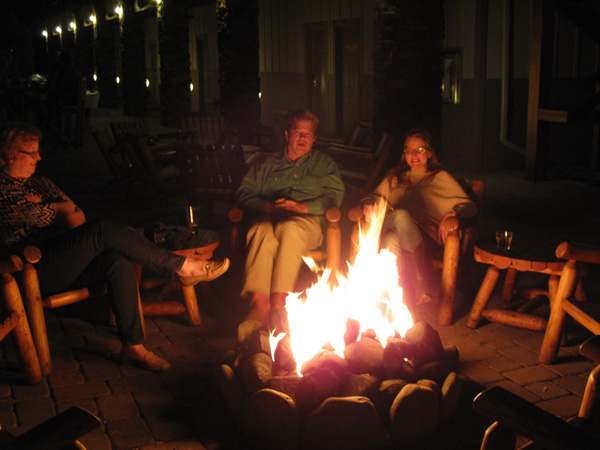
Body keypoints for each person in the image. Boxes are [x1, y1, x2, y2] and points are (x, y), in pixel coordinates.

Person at [0, 122, 229, 372]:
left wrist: (53, 210)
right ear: (9, 154)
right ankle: (182, 267)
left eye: (38, 150)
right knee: (102, 230)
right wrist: (58, 209)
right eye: (30, 152)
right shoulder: (2, 191)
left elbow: (77, 220)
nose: (39, 157)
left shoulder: (41, 183)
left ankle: (133, 348)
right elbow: (66, 213)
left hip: (66, 260)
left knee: (116, 259)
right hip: (30, 271)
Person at [236, 109, 344, 330]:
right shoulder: (266, 162)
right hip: (269, 216)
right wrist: (268, 207)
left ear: (314, 138)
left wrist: (304, 207)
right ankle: (260, 304)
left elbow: (335, 196)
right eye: (298, 132)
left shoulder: (324, 164)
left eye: (308, 134)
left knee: (290, 228)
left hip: (306, 222)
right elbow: (244, 193)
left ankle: (279, 303)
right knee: (260, 230)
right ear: (287, 134)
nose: (302, 138)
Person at [361, 129, 476, 306]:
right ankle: (422, 285)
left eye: (420, 150)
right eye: (409, 150)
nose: (414, 155)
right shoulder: (395, 177)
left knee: (392, 241)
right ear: (404, 154)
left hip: (424, 238)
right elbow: (375, 196)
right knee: (401, 216)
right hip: (390, 223)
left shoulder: (441, 177)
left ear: (429, 153)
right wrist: (369, 203)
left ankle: (394, 301)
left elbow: (469, 207)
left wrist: (454, 214)